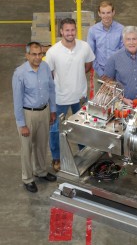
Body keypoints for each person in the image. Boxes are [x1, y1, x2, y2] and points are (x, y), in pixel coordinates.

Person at [45, 18, 95, 171]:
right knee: (54, 130)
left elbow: (88, 64)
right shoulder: (53, 52)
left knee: (82, 128)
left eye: (72, 30)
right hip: (60, 99)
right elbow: (50, 74)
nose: (70, 33)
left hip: (80, 98)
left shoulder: (84, 47)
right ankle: (56, 159)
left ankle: (85, 156)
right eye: (67, 30)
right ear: (61, 31)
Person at [12, 42, 57, 193]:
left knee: (41, 144)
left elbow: (51, 88)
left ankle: (41, 171)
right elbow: (17, 101)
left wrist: (52, 110)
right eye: (34, 54)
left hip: (44, 111)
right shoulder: (20, 73)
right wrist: (22, 124)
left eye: (40, 54)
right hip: (28, 114)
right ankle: (27, 178)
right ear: (27, 55)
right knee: (27, 148)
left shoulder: (45, 68)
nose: (37, 57)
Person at [87, 0, 124, 79]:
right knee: (98, 92)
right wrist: (101, 73)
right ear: (99, 14)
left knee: (117, 91)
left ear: (113, 12)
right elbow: (91, 54)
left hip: (117, 72)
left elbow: (124, 52)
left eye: (108, 12)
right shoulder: (93, 30)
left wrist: (116, 71)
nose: (106, 16)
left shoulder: (121, 29)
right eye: (103, 13)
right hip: (99, 72)